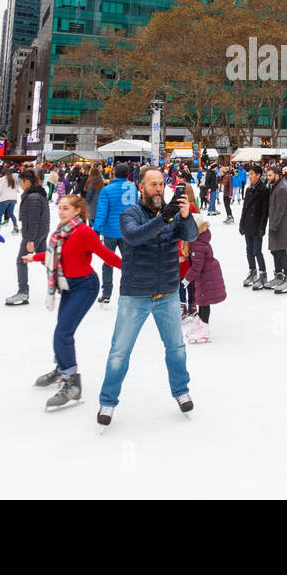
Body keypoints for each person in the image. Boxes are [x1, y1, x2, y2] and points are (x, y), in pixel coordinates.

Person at [96, 167, 197, 426]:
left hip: (167, 292)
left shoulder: (171, 213)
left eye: (161, 184)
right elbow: (134, 236)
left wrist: (184, 217)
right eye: (152, 184)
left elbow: (191, 236)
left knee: (175, 347)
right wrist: (165, 217)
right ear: (140, 188)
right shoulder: (130, 214)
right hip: (136, 293)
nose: (159, 189)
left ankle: (181, 391)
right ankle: (107, 401)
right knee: (120, 351)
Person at [31, 194, 120, 410]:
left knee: (63, 333)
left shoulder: (84, 232)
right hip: (67, 286)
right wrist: (33, 257)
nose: (61, 212)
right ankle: (62, 368)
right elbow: (57, 257)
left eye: (66, 208)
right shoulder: (61, 232)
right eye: (60, 208)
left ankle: (72, 383)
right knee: (62, 332)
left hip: (85, 287)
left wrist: (134, 270)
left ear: (78, 211)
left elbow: (106, 255)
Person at [93, 162, 137, 305]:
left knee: (108, 262)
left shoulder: (107, 190)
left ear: (114, 174)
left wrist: (96, 231)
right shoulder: (133, 188)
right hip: (128, 231)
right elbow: (136, 208)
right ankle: (128, 292)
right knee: (128, 263)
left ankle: (106, 293)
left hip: (110, 231)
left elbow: (101, 212)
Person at [6, 169, 50, 306]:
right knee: (45, 259)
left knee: (21, 261)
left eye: (21, 182)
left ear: (27, 182)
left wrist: (30, 239)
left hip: (34, 233)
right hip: (41, 232)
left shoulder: (33, 197)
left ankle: (23, 292)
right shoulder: (36, 194)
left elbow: (33, 220)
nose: (20, 185)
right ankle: (64, 283)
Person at [183, 218, 226, 342]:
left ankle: (204, 330)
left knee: (204, 302)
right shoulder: (198, 239)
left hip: (207, 275)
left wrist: (187, 279)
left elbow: (197, 266)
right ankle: (200, 325)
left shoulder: (197, 243)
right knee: (202, 301)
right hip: (205, 274)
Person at [266, 164, 287, 293]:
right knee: (275, 251)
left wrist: (273, 225)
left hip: (281, 227)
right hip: (275, 226)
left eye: (270, 175)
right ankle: (279, 275)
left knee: (281, 253)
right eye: (267, 175)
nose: (267, 177)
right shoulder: (274, 187)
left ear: (277, 176)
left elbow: (280, 210)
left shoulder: (281, 189)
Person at [240, 165, 271, 289]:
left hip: (257, 225)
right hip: (248, 224)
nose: (250, 176)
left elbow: (265, 212)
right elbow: (245, 208)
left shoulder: (264, 190)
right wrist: (242, 223)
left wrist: (262, 228)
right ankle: (252, 271)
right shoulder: (248, 190)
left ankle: (263, 275)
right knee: (249, 250)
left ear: (258, 175)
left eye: (252, 174)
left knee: (257, 251)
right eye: (249, 174)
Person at [0, 169, 21, 233]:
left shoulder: (1, 179)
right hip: (13, 199)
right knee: (11, 214)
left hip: (4, 199)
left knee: (0, 214)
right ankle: (15, 227)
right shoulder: (13, 179)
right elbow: (17, 189)